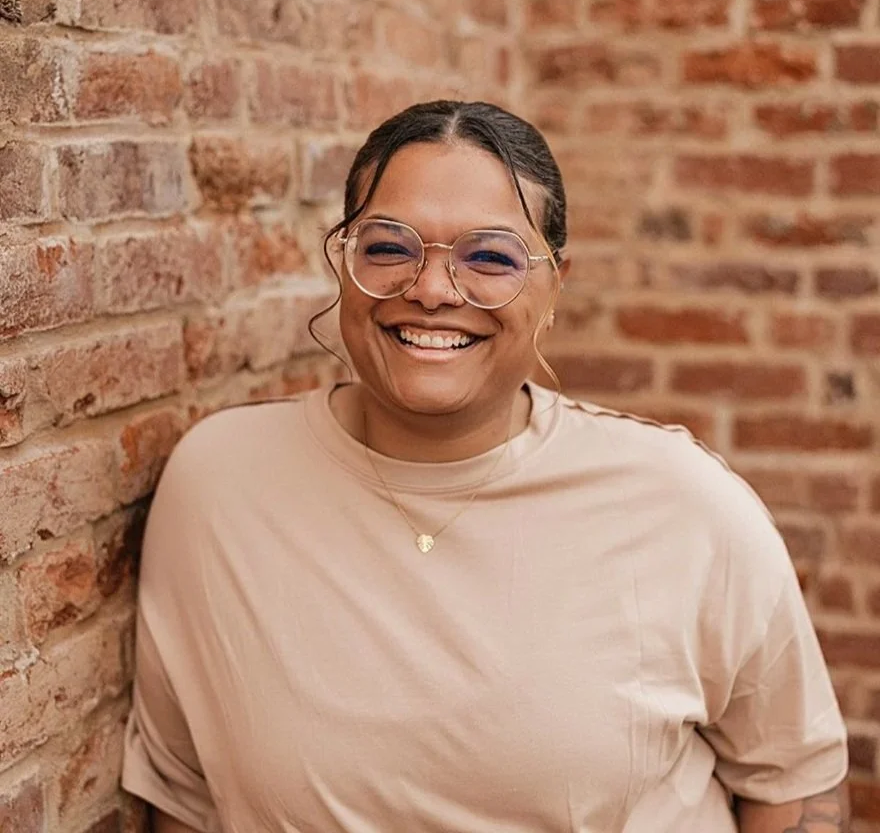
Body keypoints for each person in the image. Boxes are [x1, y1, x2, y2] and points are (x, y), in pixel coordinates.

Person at [122, 100, 849, 833]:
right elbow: (184, 800)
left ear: (555, 283)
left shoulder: (686, 505)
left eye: (491, 257)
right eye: (388, 248)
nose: (434, 289)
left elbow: (795, 787)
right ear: (341, 262)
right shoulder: (219, 487)